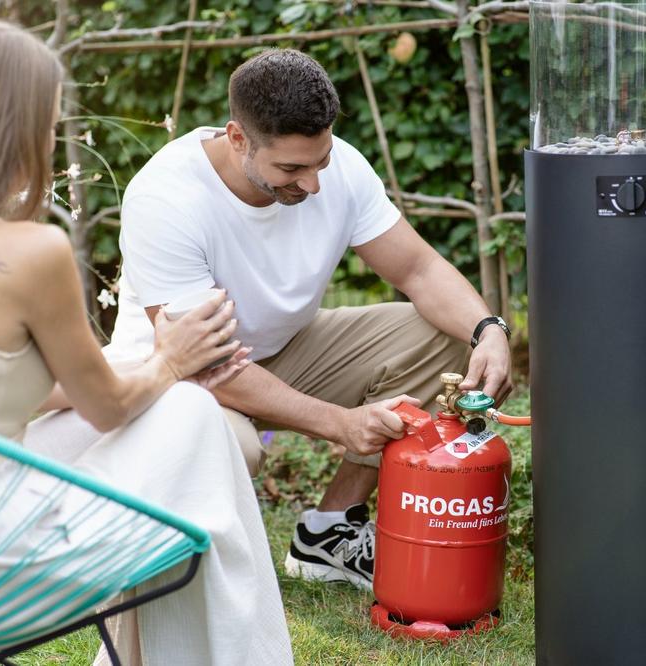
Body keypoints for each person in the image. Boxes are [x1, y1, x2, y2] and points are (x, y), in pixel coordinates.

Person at [0, 20, 292, 666]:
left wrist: (151, 367)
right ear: (20, 131)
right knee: (194, 416)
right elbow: (109, 408)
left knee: (167, 405)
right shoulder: (32, 253)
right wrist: (172, 361)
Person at [105, 49, 514, 590]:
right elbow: (207, 364)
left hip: (285, 351)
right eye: (291, 169)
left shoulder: (337, 167)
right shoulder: (166, 197)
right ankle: (162, 564)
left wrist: (489, 331)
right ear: (237, 138)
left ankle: (328, 532)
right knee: (232, 448)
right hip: (175, 378)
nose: (313, 183)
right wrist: (341, 423)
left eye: (319, 161)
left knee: (445, 338)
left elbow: (417, 269)